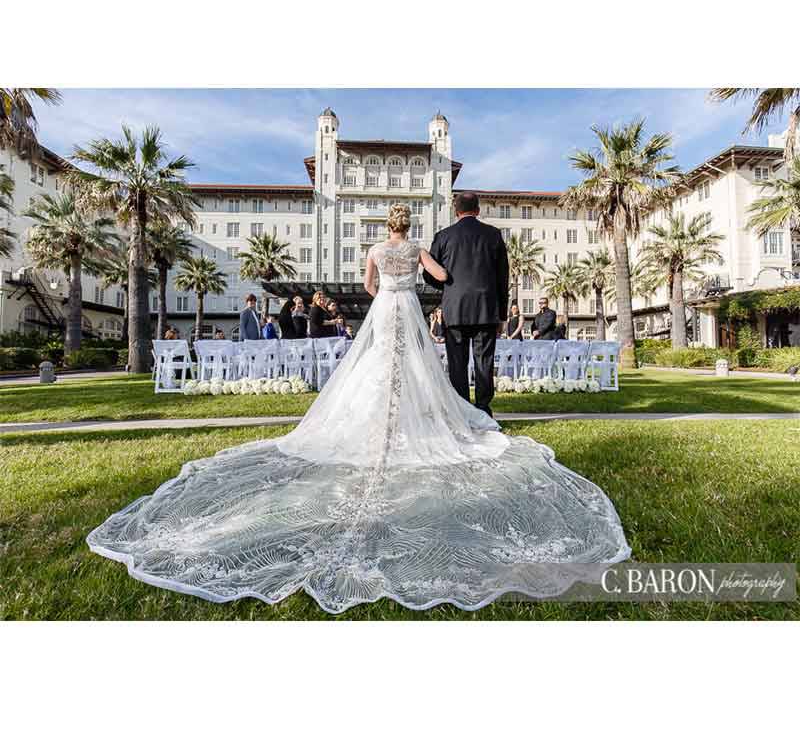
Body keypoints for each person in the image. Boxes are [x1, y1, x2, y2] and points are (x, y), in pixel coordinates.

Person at [87, 201, 629, 615]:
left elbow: (370, 287)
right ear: (406, 224)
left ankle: (400, 414)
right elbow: (438, 277)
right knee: (421, 368)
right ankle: (463, 411)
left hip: (388, 310)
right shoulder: (422, 245)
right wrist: (423, 277)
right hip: (421, 308)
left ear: (382, 228)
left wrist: (389, 289)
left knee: (378, 368)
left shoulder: (375, 251)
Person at [422, 191, 509, 417]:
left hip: (455, 309)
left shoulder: (443, 236)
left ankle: (461, 412)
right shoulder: (493, 235)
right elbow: (502, 277)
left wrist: (449, 286)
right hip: (486, 308)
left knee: (457, 363)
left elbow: (429, 275)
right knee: (484, 362)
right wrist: (502, 315)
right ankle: (483, 410)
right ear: (478, 210)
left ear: (455, 211)